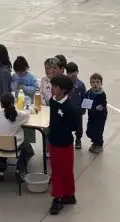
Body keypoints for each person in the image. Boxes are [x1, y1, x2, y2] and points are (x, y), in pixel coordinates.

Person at [47, 75, 78, 215]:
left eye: (55, 87)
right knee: (57, 171)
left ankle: (63, 197)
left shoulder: (69, 107)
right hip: (54, 142)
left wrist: (62, 128)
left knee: (65, 171)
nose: (52, 89)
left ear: (64, 90)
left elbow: (74, 126)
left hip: (65, 144)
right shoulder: (52, 101)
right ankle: (61, 195)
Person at [0, 92, 34, 181]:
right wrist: (27, 108)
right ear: (14, 102)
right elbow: (27, 115)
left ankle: (1, 171)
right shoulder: (18, 115)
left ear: (1, 104)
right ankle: (19, 169)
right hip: (15, 146)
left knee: (2, 140)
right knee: (28, 149)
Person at [83, 73, 108, 153]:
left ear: (101, 83)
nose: (95, 84)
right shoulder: (89, 92)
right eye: (93, 82)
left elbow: (101, 106)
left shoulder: (102, 94)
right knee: (90, 131)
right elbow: (85, 101)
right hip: (91, 115)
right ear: (90, 83)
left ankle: (99, 144)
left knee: (98, 131)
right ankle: (94, 142)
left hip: (100, 117)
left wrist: (98, 107)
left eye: (97, 82)